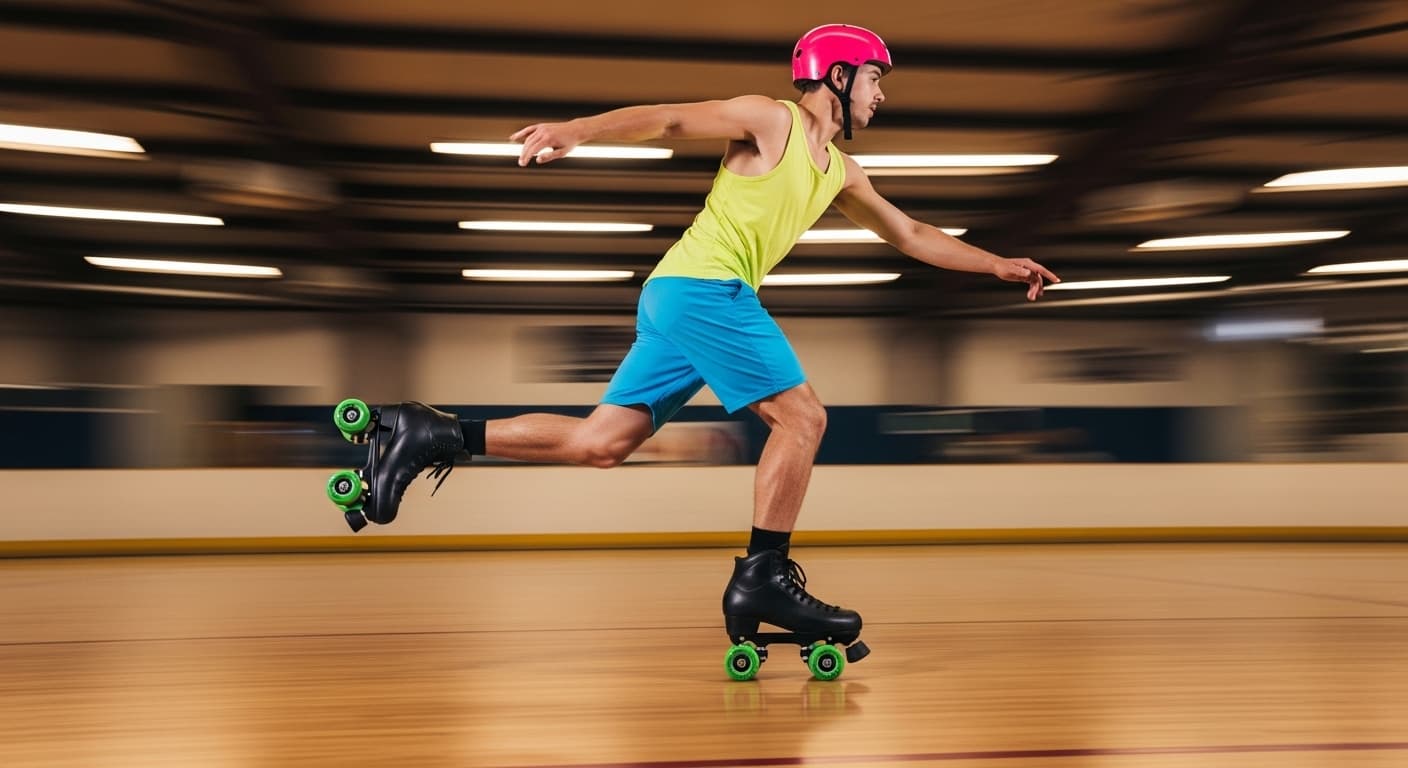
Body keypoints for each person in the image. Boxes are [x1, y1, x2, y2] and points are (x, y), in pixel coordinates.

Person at [350, 24, 1059, 654]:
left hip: (678, 299)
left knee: (600, 444)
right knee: (803, 417)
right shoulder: (770, 119)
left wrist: (994, 262)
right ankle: (763, 578)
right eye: (875, 78)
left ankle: (432, 433)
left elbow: (910, 234)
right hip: (705, 289)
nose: (880, 95)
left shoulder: (841, 170)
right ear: (838, 75)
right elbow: (666, 121)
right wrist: (580, 129)